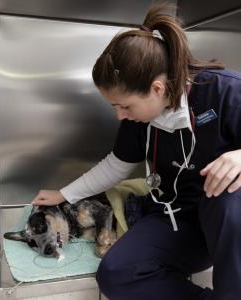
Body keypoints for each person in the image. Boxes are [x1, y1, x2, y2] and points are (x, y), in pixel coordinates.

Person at [32, 3, 241, 300]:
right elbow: (117, 164)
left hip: (229, 226)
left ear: (157, 88)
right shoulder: (140, 118)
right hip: (176, 219)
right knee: (115, 274)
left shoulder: (225, 91)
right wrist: (65, 194)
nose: (120, 115)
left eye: (124, 105)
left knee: (228, 196)